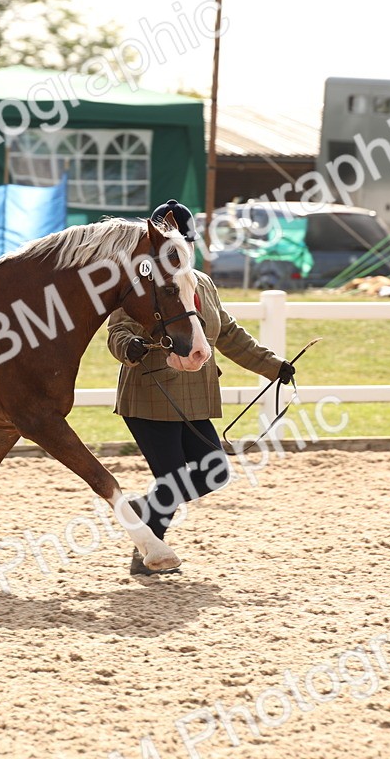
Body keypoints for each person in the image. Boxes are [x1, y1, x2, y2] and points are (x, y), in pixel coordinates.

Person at [107, 199, 295, 575]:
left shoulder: (202, 284)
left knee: (215, 472)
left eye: (186, 244)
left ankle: (144, 512)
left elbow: (228, 334)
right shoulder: (139, 284)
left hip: (195, 397)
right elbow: (118, 332)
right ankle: (148, 556)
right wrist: (130, 346)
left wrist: (273, 366)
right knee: (172, 480)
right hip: (150, 395)